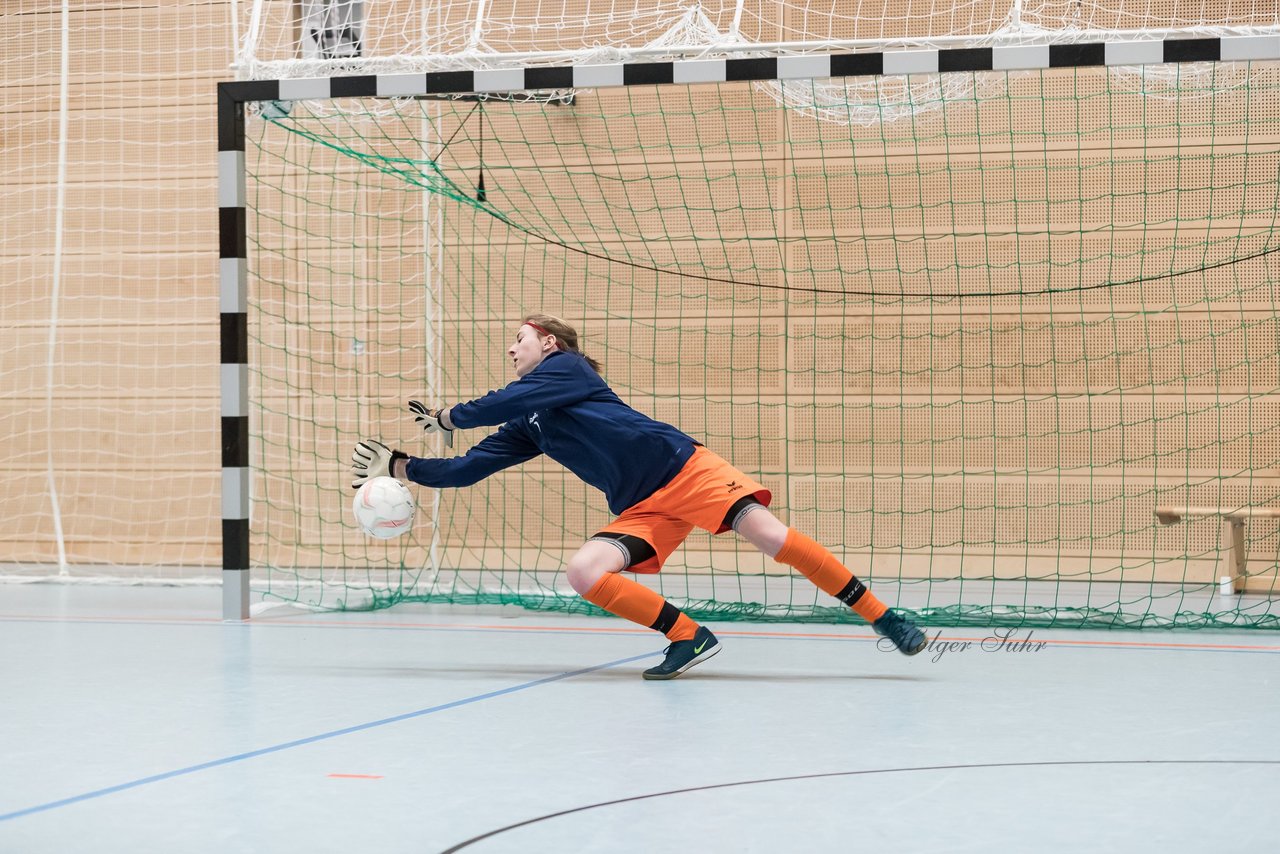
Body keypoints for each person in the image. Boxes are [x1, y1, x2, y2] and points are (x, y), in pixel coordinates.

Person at [351, 314, 927, 679]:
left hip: (686, 470)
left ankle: (884, 618)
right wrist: (404, 466)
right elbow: (470, 469)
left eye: (518, 340)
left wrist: (451, 415)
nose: (511, 349)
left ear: (548, 343)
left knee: (770, 536)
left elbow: (496, 402)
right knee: (584, 573)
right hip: (643, 506)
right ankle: (687, 636)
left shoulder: (569, 369)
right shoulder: (530, 422)